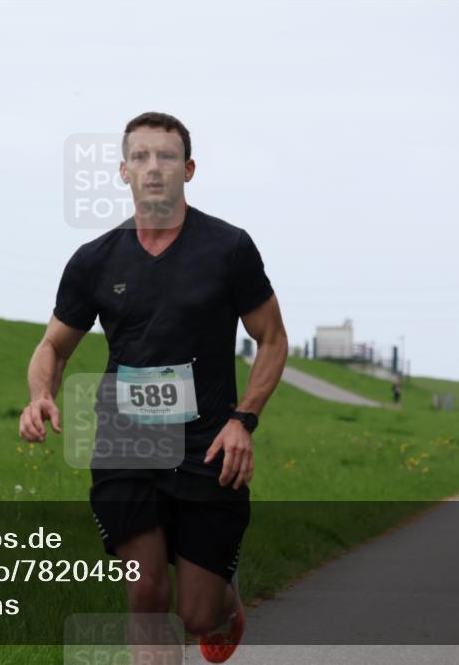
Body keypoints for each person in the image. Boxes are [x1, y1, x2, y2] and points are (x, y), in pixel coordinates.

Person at [18, 112, 288, 663]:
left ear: (188, 169)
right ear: (123, 172)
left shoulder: (229, 249)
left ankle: (223, 603)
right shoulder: (94, 260)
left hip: (208, 441)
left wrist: (245, 420)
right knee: (145, 594)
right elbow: (53, 347)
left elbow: (274, 339)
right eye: (140, 157)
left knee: (196, 614)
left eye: (166, 157)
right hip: (126, 438)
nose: (154, 168)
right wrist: (40, 393)